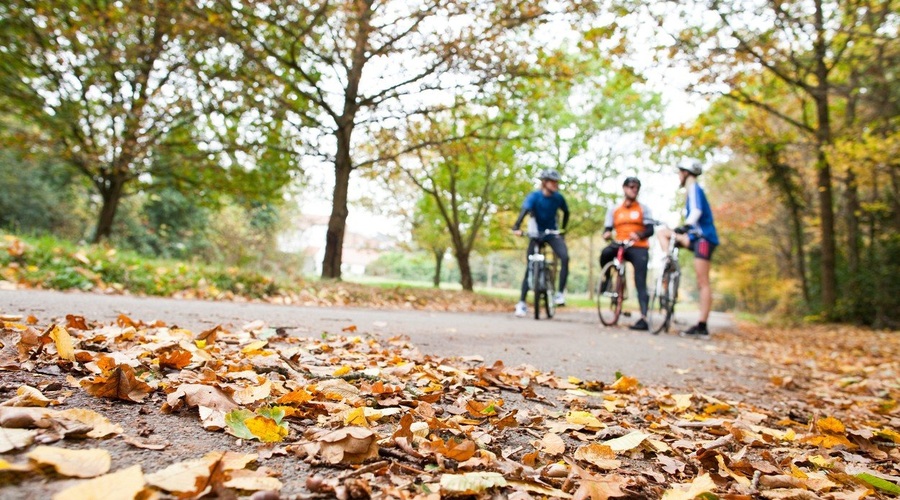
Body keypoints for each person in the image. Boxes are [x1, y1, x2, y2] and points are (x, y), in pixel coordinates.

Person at [656, 160, 719, 338]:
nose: (678, 176)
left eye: (679, 172)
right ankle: (668, 260)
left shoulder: (695, 188)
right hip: (693, 238)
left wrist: (685, 226)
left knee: (702, 281)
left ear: (686, 173)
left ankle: (702, 325)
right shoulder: (691, 191)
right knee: (663, 233)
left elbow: (697, 211)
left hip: (704, 239)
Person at [512, 169, 570, 317]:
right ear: (544, 182)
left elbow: (566, 212)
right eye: (553, 182)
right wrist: (517, 226)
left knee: (564, 257)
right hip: (536, 234)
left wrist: (563, 230)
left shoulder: (558, 198)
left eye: (557, 182)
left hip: (552, 233)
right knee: (530, 265)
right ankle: (522, 303)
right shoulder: (535, 197)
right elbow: (525, 209)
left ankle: (559, 294)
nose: (556, 185)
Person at [599, 176, 655, 331]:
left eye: (637, 187)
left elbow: (650, 229)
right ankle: (607, 279)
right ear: (624, 188)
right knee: (605, 253)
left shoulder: (643, 209)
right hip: (620, 243)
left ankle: (643, 317)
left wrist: (640, 235)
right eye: (631, 187)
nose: (634, 190)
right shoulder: (615, 210)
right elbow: (607, 228)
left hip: (638, 246)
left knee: (640, 280)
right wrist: (606, 234)